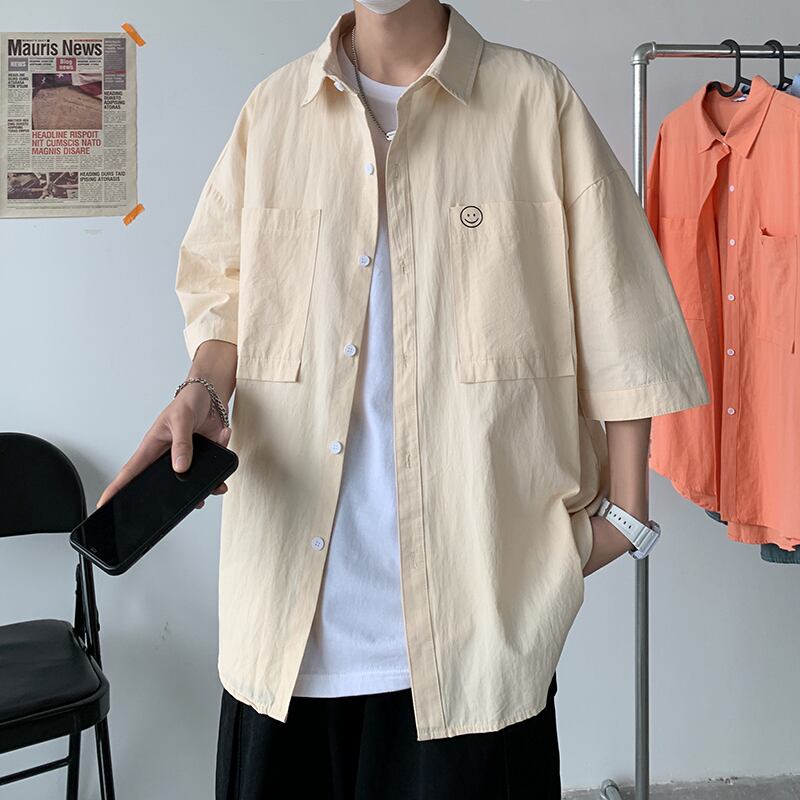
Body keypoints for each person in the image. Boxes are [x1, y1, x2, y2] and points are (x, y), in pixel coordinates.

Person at [97, 1, 709, 797]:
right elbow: (226, 295)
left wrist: (625, 519)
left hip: (480, 637)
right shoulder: (274, 111)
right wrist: (203, 390)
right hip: (282, 637)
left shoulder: (535, 103)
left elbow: (621, 307)